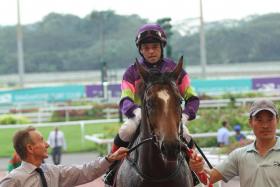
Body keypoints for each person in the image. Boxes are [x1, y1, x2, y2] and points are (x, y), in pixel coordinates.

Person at [104, 23, 200, 185]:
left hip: (170, 116)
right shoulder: (132, 71)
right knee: (126, 130)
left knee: (186, 135)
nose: (151, 51)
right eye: (146, 48)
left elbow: (192, 98)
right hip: (141, 114)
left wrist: (184, 115)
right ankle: (111, 169)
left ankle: (195, 172)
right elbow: (125, 98)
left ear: (161, 47)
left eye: (155, 47)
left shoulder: (175, 70)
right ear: (140, 50)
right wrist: (135, 111)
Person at [189, 99, 280, 187]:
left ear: (277, 120)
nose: (265, 125)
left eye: (270, 119)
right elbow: (210, 178)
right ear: (250, 122)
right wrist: (199, 168)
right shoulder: (239, 155)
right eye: (259, 120)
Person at [0, 126, 128, 187]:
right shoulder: (13, 180)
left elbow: (85, 171)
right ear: (30, 148)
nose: (47, 144)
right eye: (41, 140)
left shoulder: (53, 171)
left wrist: (110, 158)